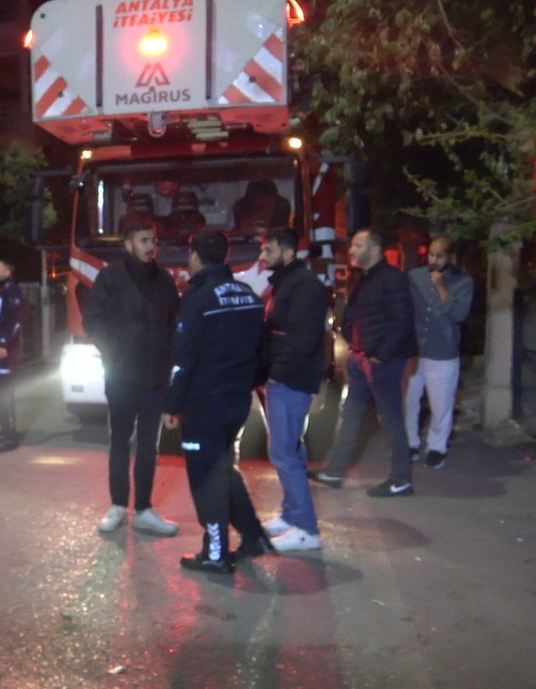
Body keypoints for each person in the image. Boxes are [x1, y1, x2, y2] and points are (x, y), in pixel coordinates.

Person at [163, 231, 270, 573]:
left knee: (206, 476)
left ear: (194, 256)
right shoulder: (248, 295)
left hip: (204, 403)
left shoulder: (198, 299)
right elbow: (262, 349)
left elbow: (184, 359)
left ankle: (215, 553)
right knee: (223, 469)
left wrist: (172, 404)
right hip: (237, 400)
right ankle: (253, 536)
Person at [84, 219, 180, 536]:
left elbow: (174, 324)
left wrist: (170, 362)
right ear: (128, 245)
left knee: (149, 446)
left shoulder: (165, 280)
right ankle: (117, 506)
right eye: (143, 240)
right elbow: (93, 320)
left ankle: (143, 510)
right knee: (120, 442)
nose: (151, 246)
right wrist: (113, 354)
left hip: (156, 378)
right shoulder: (111, 277)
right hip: (121, 376)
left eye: (153, 240)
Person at [311, 228, 418, 497]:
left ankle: (401, 478)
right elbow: (352, 315)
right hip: (361, 358)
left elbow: (403, 321)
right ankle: (335, 471)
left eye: (359, 246)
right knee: (350, 415)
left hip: (382, 361)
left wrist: (379, 354)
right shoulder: (366, 278)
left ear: (376, 249)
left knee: (390, 418)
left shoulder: (392, 278)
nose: (352, 250)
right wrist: (354, 345)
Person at [256, 227, 327, 551]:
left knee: (283, 452)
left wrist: (276, 374)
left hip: (290, 380)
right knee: (290, 450)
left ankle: (306, 529)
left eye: (268, 250)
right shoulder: (288, 282)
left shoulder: (305, 286)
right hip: (285, 378)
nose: (262, 256)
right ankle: (291, 515)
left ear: (287, 252)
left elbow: (301, 339)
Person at [405, 236, 473, 468]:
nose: (434, 260)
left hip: (442, 349)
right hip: (415, 349)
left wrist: (441, 287)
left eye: (440, 256)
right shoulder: (415, 277)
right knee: (409, 399)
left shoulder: (462, 282)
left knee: (441, 403)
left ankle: (437, 447)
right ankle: (410, 442)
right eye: (431, 254)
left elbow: (458, 314)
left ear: (450, 257)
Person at [0, 259, 26, 453]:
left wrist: (2, 344)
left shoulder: (12, 293)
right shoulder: (1, 292)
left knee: (3, 393)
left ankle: (10, 437)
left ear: (7, 271)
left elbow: (15, 320)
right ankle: (5, 431)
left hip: (6, 352)